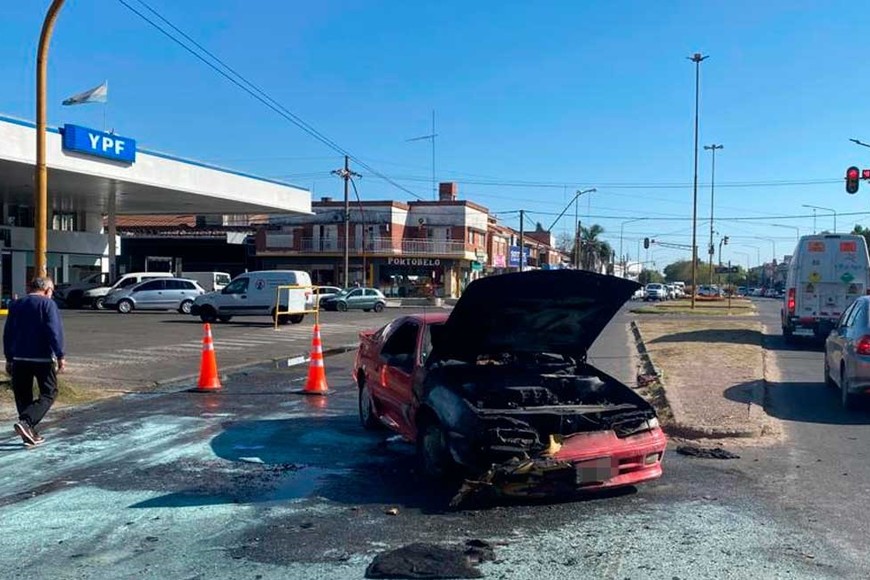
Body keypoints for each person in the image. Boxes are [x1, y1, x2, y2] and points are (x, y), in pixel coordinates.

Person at [3, 277, 65, 446]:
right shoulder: (47, 304)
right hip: (42, 357)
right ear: (47, 290)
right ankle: (27, 423)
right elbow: (54, 331)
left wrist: (9, 357)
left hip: (19, 358)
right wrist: (60, 355)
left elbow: (8, 333)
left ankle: (29, 432)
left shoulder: (16, 304)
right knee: (49, 392)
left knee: (23, 395)